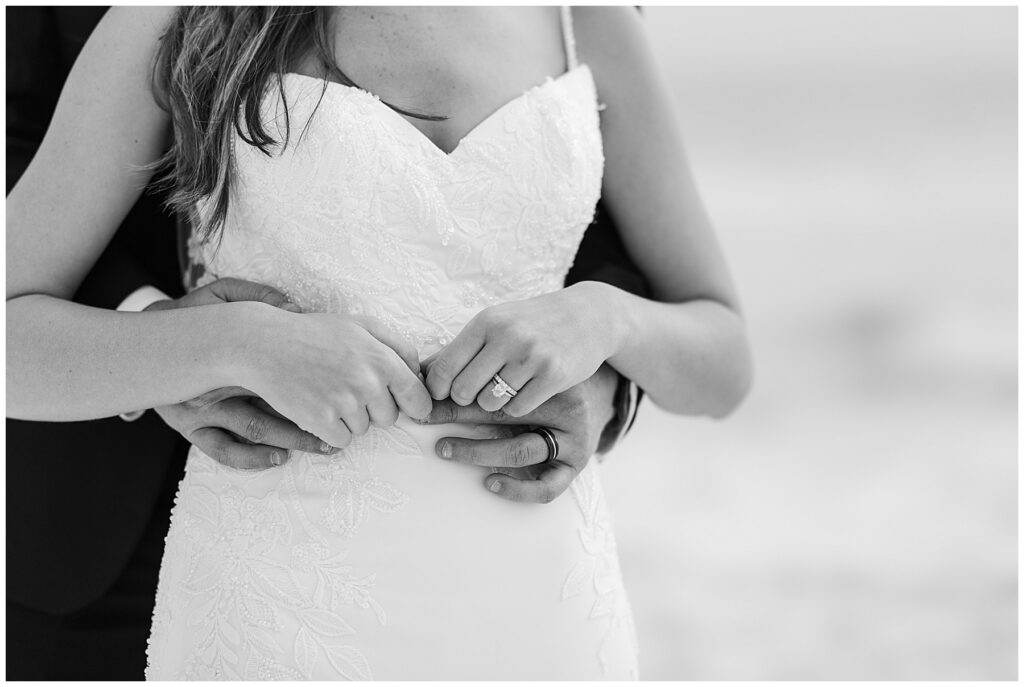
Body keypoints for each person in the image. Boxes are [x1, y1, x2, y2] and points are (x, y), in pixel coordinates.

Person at [7, 5, 751, 680]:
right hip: (279, 601)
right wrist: (227, 341)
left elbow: (725, 362)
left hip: (540, 602)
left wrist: (603, 318)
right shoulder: (182, 16)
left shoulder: (585, 18)